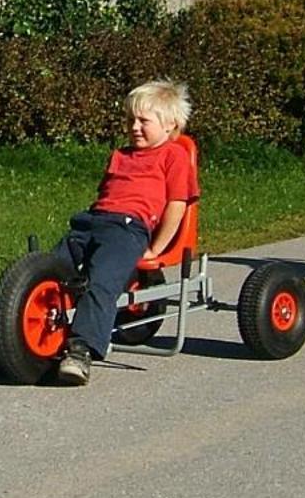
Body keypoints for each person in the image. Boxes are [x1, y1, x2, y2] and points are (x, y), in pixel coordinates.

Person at [51, 79, 199, 387]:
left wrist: (157, 248)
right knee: (48, 271)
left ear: (169, 123)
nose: (134, 126)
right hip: (92, 221)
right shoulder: (121, 155)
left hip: (129, 229)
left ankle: (81, 350)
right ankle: (15, 339)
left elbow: (176, 206)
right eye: (130, 119)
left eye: (143, 121)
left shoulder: (174, 155)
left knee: (102, 282)